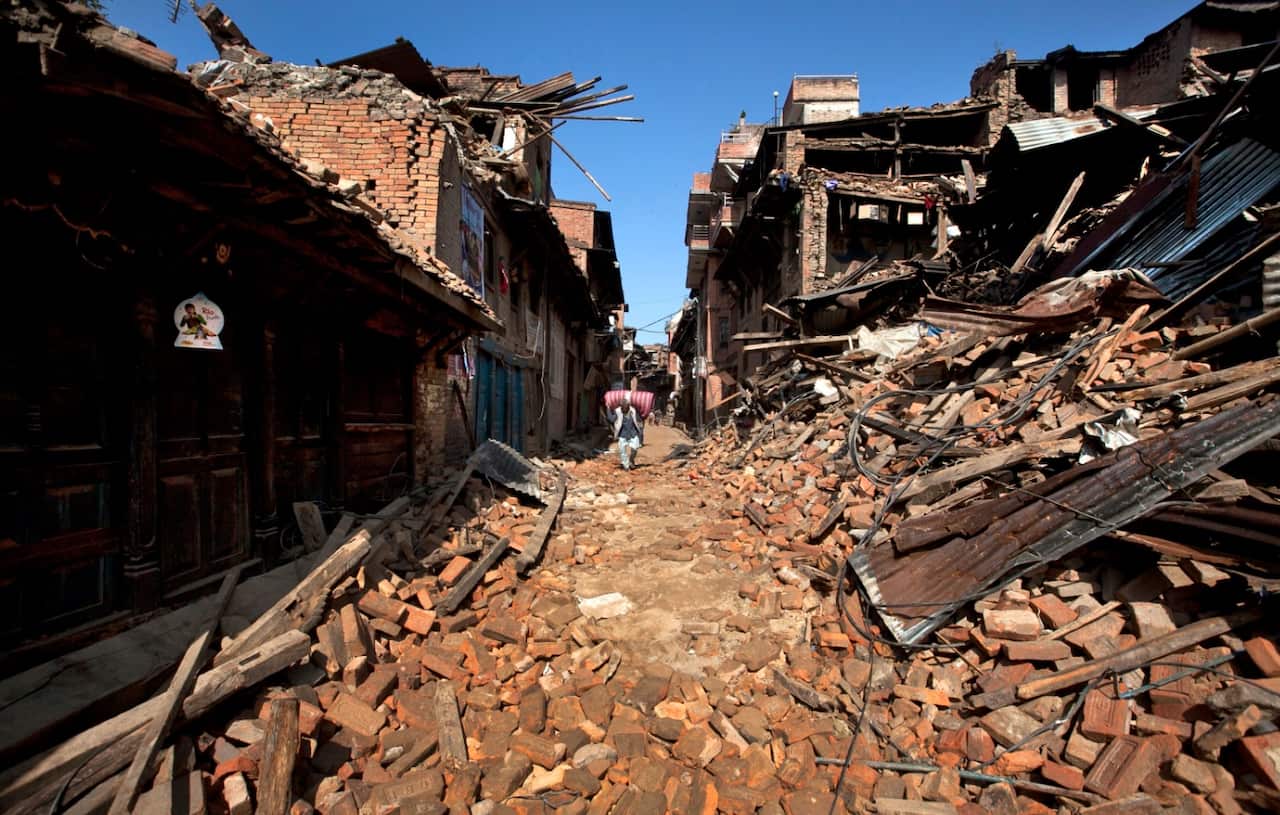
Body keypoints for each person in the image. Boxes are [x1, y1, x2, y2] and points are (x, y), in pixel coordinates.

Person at [611, 396, 643, 470]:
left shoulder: (633, 411)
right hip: (623, 434)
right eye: (623, 407)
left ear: (628, 406)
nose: (624, 409)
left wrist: (640, 428)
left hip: (633, 433)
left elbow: (639, 419)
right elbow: (612, 419)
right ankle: (626, 465)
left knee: (635, 448)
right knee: (622, 451)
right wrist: (608, 409)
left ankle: (631, 460)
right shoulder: (618, 411)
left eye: (626, 407)